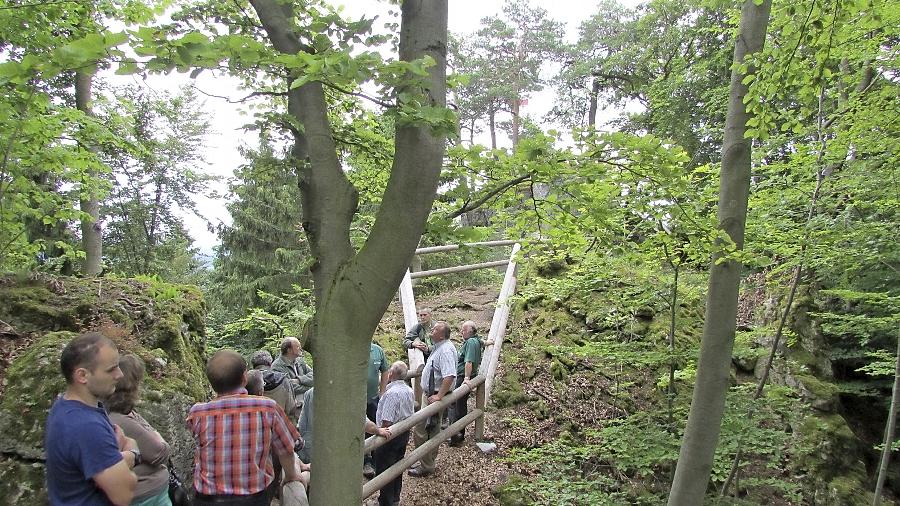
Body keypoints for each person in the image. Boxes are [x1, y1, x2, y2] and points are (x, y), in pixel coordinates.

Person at [186, 349, 308, 506]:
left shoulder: (197, 412)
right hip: (252, 499)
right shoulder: (267, 408)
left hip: (207, 499)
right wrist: (291, 476)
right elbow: (286, 449)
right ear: (244, 377)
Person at [45, 332, 139, 506]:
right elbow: (125, 494)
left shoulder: (64, 407)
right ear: (82, 376)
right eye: (111, 369)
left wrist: (115, 457)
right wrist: (132, 455)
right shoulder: (86, 426)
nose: (119, 375)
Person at [106, 354, 173, 506]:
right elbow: (159, 453)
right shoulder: (119, 419)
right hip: (145, 496)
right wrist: (158, 436)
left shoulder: (126, 412)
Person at [408, 321, 457, 477]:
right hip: (431, 394)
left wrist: (439, 395)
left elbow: (449, 375)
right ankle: (426, 461)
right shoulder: (440, 347)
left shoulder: (446, 350)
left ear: (441, 334)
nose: (432, 330)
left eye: (435, 329)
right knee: (430, 429)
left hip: (434, 395)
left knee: (423, 430)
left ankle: (427, 465)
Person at [373, 361, 415, 506]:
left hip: (390, 436)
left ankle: (385, 502)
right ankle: (395, 498)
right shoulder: (409, 390)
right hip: (404, 433)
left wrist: (380, 432)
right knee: (398, 466)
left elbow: (387, 421)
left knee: (385, 469)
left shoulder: (392, 393)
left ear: (391, 374)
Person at [448, 321, 483, 447]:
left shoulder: (470, 342)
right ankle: (457, 433)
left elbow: (469, 361)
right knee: (459, 404)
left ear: (470, 331)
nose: (461, 332)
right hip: (463, 375)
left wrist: (467, 377)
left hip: (463, 376)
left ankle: (456, 434)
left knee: (456, 404)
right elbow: (482, 342)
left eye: (463, 330)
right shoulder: (476, 340)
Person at [250, 350, 299, 422]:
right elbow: (291, 407)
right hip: (279, 425)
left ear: (253, 365)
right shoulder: (283, 380)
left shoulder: (248, 380)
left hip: (255, 425)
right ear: (270, 363)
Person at [364, 341, 390, 478]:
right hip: (356, 399)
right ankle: (365, 461)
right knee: (361, 427)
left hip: (373, 398)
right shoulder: (353, 348)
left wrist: (383, 391)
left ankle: (374, 458)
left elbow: (385, 370)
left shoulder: (377, 350)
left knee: (374, 425)